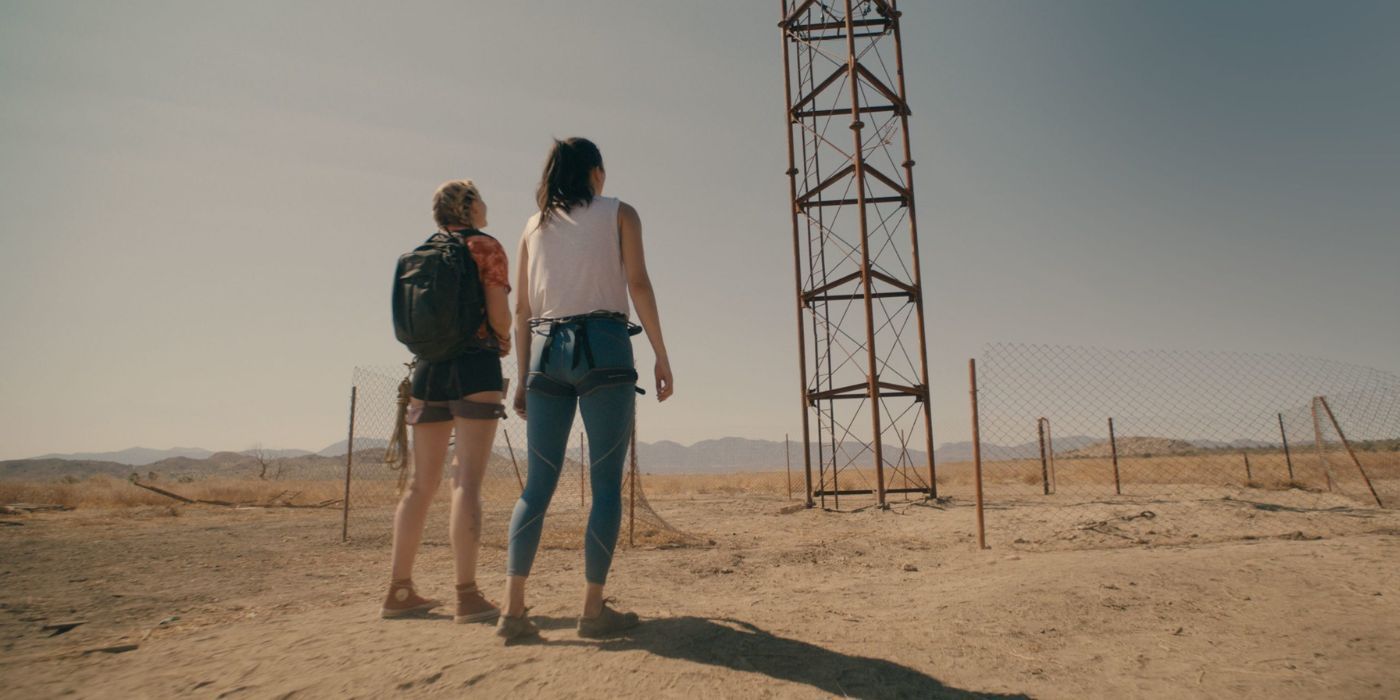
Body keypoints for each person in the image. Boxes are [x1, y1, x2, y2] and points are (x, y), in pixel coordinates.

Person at [497, 138, 674, 641]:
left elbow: (522, 311)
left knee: (537, 487)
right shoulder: (621, 213)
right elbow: (638, 283)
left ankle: (513, 612)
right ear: (595, 172)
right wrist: (661, 354)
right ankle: (592, 611)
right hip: (606, 349)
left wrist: (524, 380)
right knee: (604, 488)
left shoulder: (532, 227)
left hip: (547, 353)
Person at [382, 180, 512, 625]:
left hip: (427, 369)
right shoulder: (486, 248)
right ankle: (467, 595)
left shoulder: (421, 253)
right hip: (475, 366)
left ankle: (399, 590)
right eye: (482, 198)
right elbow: (498, 313)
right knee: (467, 482)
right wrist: (506, 338)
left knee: (421, 483)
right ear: (470, 206)